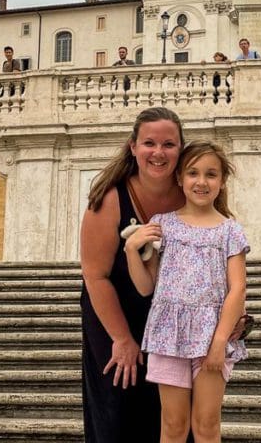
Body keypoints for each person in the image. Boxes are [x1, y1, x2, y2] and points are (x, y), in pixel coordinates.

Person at [125, 141, 249, 443]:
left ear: (221, 181)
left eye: (211, 174)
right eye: (193, 173)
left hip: (211, 336)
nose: (202, 182)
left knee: (207, 425)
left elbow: (238, 289)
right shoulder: (162, 225)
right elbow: (146, 286)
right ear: (180, 178)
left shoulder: (230, 230)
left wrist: (219, 342)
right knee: (173, 425)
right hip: (168, 334)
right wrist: (131, 249)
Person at [80, 107, 188, 442]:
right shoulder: (109, 199)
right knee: (119, 410)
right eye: (149, 143)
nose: (158, 153)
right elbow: (95, 277)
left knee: (173, 414)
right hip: (115, 312)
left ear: (181, 148)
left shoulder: (194, 190)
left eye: (168, 144)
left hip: (170, 314)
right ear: (133, 147)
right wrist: (122, 339)